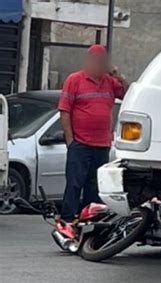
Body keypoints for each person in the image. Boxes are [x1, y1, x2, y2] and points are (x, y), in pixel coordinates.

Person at [58, 44, 128, 222]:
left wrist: (119, 77)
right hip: (80, 144)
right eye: (97, 62)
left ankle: (89, 219)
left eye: (103, 62)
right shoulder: (75, 80)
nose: (100, 66)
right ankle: (68, 219)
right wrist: (70, 141)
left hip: (102, 144)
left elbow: (129, 95)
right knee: (75, 184)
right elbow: (64, 111)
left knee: (94, 185)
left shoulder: (110, 82)